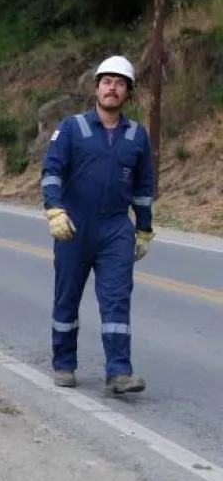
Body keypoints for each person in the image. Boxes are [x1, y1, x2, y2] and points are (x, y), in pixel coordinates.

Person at [40, 55, 154, 395]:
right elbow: (52, 172)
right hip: (74, 226)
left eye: (120, 84)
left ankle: (119, 373)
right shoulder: (72, 128)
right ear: (96, 88)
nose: (112, 88)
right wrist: (55, 210)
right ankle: (64, 362)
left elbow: (144, 188)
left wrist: (144, 228)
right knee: (67, 297)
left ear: (128, 93)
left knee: (117, 300)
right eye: (107, 81)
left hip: (116, 229)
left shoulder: (137, 135)